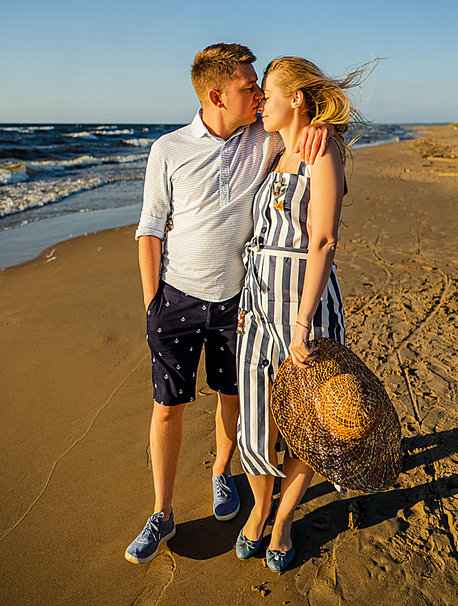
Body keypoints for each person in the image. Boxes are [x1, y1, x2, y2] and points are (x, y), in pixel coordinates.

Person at [125, 44, 334, 564]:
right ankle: (162, 512)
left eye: (260, 87)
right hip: (175, 297)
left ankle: (222, 474)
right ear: (217, 95)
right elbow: (150, 228)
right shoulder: (167, 149)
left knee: (231, 398)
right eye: (248, 87)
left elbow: (301, 128)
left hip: (237, 303)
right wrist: (152, 303)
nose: (259, 94)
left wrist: (323, 129)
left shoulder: (261, 137)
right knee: (167, 408)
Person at [235, 55, 374, 572]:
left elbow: (323, 240)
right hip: (257, 306)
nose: (258, 104)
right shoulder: (276, 149)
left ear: (295, 98)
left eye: (266, 95)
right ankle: (260, 507)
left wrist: (301, 325)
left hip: (304, 311)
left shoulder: (324, 151)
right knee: (256, 420)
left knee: (308, 425)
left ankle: (282, 519)